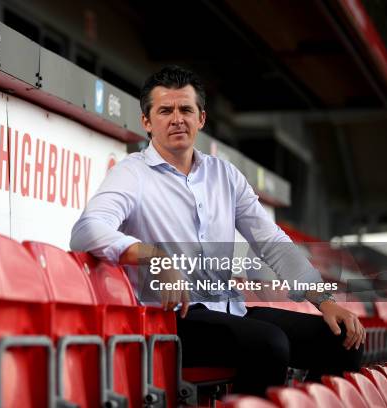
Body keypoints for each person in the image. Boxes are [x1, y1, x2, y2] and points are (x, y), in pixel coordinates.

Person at [70, 65, 363, 396]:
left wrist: (324, 301)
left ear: (201, 119)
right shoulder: (132, 173)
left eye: (186, 109)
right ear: (147, 122)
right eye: (165, 110)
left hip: (230, 311)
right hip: (174, 320)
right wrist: (157, 257)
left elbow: (272, 243)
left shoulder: (225, 175)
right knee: (268, 344)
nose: (177, 118)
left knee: (342, 339)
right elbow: (86, 230)